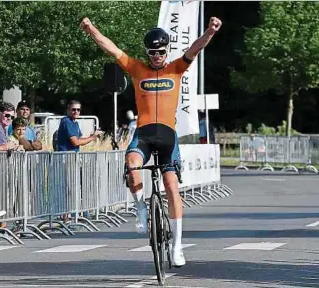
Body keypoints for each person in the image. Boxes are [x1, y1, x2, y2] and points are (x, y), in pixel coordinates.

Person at [80, 15, 222, 267]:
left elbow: (196, 48)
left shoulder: (176, 67)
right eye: (152, 52)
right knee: (132, 165)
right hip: (144, 133)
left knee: (171, 185)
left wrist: (210, 31)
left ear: (167, 50)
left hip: (167, 136)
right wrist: (91, 29)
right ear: (147, 52)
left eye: (161, 51)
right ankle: (140, 207)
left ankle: (178, 247)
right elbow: (111, 47)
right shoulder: (137, 69)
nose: (157, 55)